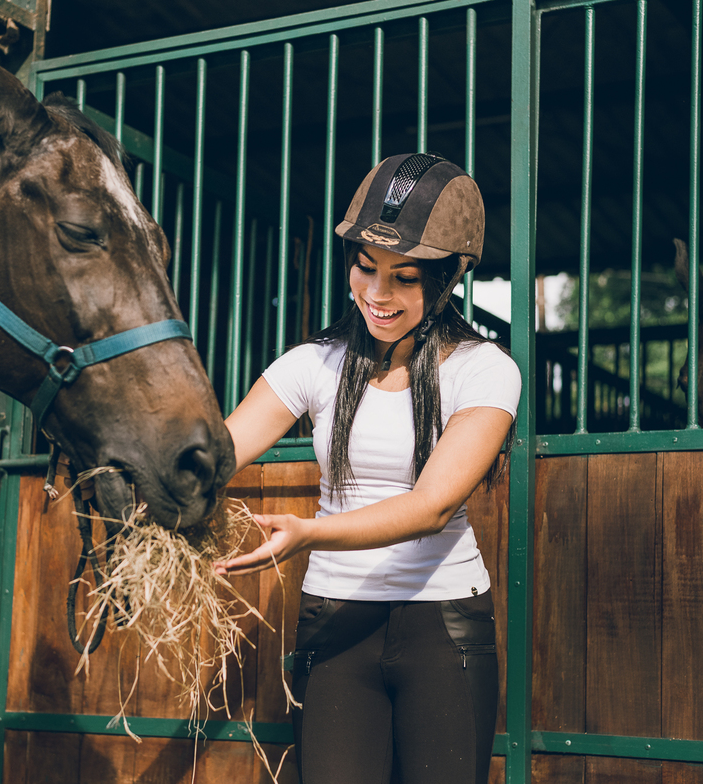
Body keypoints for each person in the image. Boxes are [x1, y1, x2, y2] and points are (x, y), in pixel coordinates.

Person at [214, 153, 521, 784]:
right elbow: (218, 454)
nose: (378, 295)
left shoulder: (484, 370)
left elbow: (432, 505)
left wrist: (308, 534)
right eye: (365, 267)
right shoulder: (313, 363)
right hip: (336, 617)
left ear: (450, 276)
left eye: (405, 277)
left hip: (446, 623)